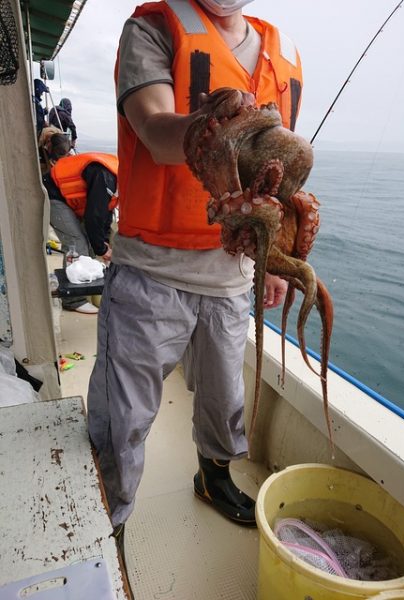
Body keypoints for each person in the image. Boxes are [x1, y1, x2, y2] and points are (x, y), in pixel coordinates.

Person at [87, 0, 303, 559]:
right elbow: (156, 131)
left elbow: (273, 178)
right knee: (124, 415)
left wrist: (273, 255)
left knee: (225, 397)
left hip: (232, 279)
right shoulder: (154, 29)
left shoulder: (283, 57)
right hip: (151, 273)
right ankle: (107, 518)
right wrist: (208, 127)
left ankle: (212, 475)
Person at [42, 132, 118, 314]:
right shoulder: (107, 178)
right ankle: (73, 299)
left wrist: (103, 242)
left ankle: (87, 286)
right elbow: (93, 217)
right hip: (52, 195)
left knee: (91, 243)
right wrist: (103, 250)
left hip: (66, 197)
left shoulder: (116, 178)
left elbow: (104, 215)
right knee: (77, 243)